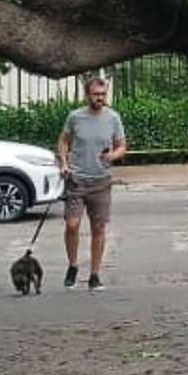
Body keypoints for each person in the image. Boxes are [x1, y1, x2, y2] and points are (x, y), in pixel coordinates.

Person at [57, 75, 126, 291]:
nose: (100, 98)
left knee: (98, 227)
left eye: (103, 94)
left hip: (101, 180)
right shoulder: (75, 117)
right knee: (72, 224)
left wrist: (112, 156)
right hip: (76, 179)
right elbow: (63, 141)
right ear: (87, 95)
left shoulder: (113, 118)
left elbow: (122, 145)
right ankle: (73, 265)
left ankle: (95, 274)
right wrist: (64, 163)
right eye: (96, 94)